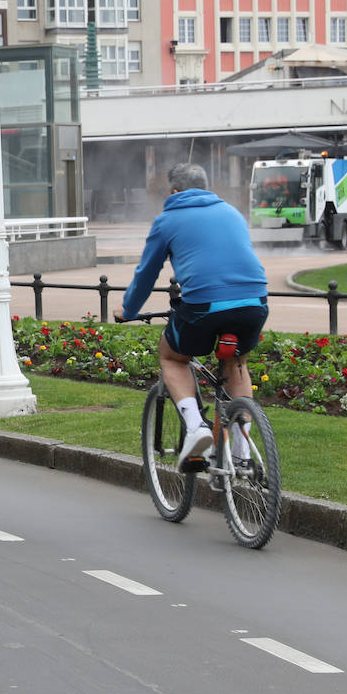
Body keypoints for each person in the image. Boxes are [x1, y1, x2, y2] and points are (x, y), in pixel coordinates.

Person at [121, 163, 269, 471]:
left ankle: (197, 427)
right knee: (236, 361)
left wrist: (129, 310)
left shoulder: (168, 219)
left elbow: (146, 274)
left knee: (173, 357)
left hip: (204, 304)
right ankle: (242, 453)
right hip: (254, 301)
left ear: (174, 191)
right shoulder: (231, 212)